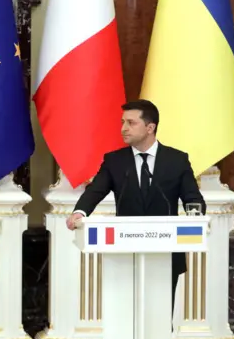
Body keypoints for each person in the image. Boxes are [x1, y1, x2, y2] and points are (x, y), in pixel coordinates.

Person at [66, 99, 206, 320]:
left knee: (159, 319)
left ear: (150, 128)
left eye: (131, 123)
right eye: (122, 122)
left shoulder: (177, 160)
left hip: (166, 251)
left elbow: (192, 198)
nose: (123, 128)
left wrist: (195, 215)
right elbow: (95, 191)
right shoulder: (115, 161)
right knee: (125, 318)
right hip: (124, 252)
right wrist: (79, 212)